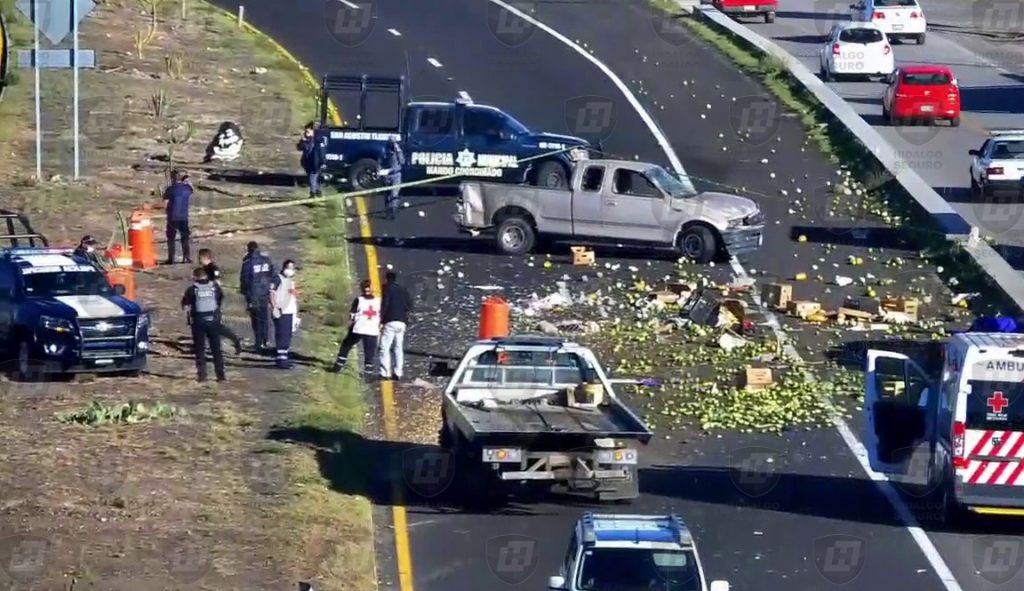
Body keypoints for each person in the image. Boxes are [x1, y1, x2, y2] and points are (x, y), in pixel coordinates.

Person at [181, 267, 226, 382]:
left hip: (198, 321)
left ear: (195, 277)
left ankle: (202, 375)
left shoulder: (192, 289)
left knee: (200, 349)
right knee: (216, 349)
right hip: (213, 320)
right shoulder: (214, 287)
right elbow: (220, 298)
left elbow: (185, 304)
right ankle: (220, 375)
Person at [330, 279, 381, 375]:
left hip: (359, 327)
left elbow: (352, 315)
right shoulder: (378, 301)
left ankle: (338, 366)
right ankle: (368, 373)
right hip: (372, 329)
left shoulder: (358, 300)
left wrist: (352, 322)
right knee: (369, 352)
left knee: (346, 345)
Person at [198, 248, 242, 354]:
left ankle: (234, 339)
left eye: (199, 258)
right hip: (207, 299)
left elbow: (217, 282)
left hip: (213, 299)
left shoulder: (212, 268)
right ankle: (212, 344)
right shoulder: (204, 269)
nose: (198, 260)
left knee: (215, 324)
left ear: (205, 257)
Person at [240, 241, 275, 353]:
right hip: (265, 293)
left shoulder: (248, 262)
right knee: (264, 317)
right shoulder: (266, 260)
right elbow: (272, 275)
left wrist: (244, 292)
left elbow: (245, 279)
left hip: (253, 294)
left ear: (249, 249)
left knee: (256, 319)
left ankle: (258, 342)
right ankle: (266, 340)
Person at [379, 270, 413, 380]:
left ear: (386, 279)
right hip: (402, 322)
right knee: (398, 348)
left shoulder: (387, 289)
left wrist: (381, 320)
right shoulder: (403, 289)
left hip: (390, 321)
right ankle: (398, 372)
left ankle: (385, 373)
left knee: (385, 347)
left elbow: (385, 304)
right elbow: (410, 305)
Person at [270, 259, 299, 369]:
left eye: (292, 268)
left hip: (290, 311)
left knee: (287, 335)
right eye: (289, 267)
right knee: (282, 335)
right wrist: (275, 307)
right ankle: (281, 359)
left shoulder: (290, 280)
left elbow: (290, 294)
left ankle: (284, 358)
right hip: (282, 311)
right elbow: (272, 293)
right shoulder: (278, 279)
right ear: (284, 268)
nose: (291, 270)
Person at [163, 169, 193, 264]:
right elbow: (192, 188)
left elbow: (165, 203)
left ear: (172, 179)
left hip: (172, 216)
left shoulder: (170, 189)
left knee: (171, 238)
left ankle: (171, 258)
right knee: (185, 237)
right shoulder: (187, 188)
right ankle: (186, 257)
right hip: (183, 216)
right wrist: (187, 180)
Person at [297, 122, 327, 198]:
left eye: (308, 132)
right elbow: (300, 147)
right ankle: (318, 191)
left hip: (315, 163)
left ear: (313, 131)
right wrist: (303, 141)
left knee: (312, 178)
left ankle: (312, 193)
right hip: (307, 162)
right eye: (305, 132)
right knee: (313, 178)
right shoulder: (306, 139)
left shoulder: (318, 141)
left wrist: (323, 162)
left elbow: (322, 152)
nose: (306, 133)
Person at [380, 136, 404, 219]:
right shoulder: (385, 150)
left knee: (394, 194)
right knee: (387, 195)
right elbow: (381, 161)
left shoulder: (398, 151)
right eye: (391, 143)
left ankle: (393, 211)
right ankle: (387, 211)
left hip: (396, 175)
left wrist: (398, 151)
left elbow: (402, 161)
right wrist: (380, 170)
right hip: (387, 176)